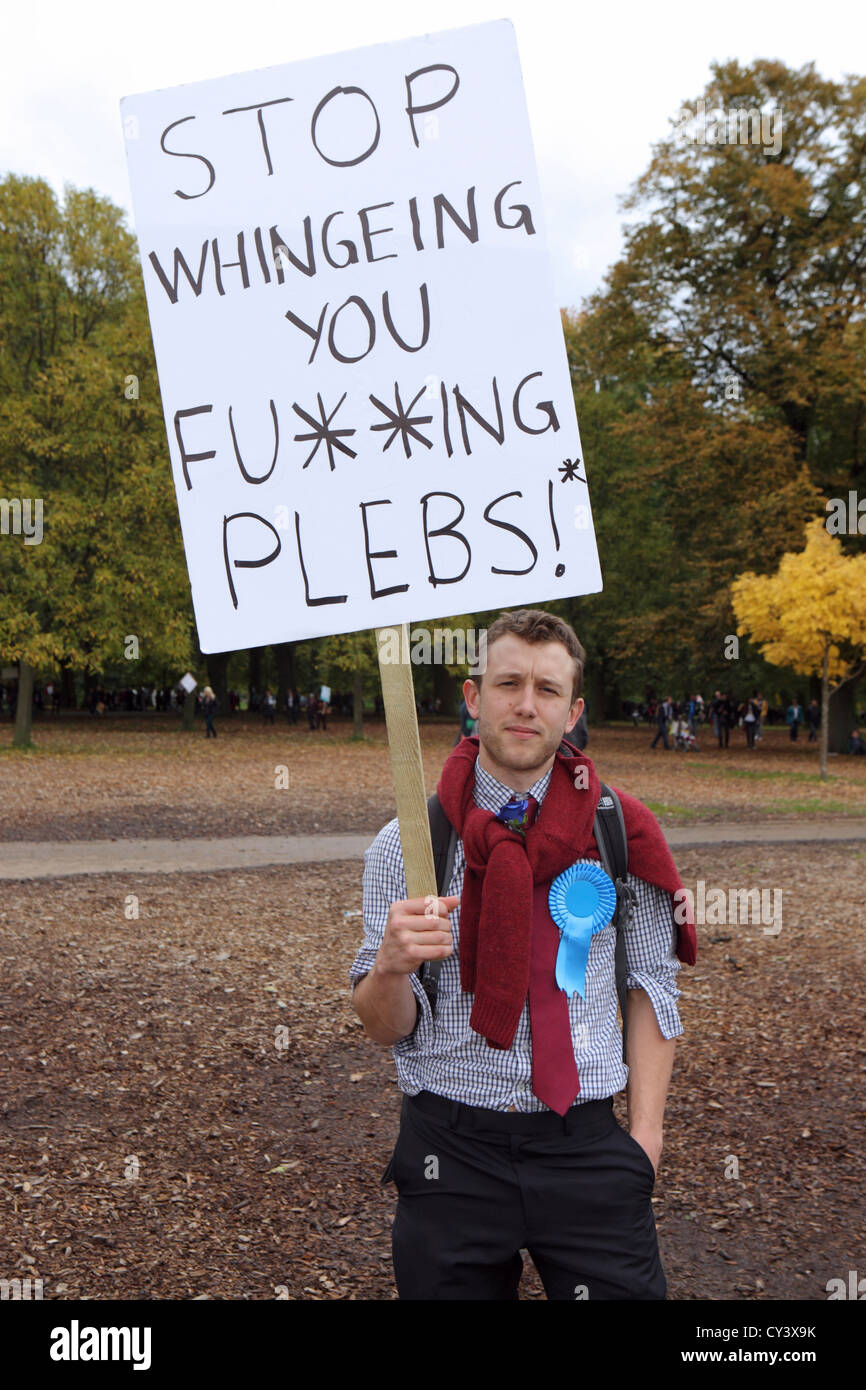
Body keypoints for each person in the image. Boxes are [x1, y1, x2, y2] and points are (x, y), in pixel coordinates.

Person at [351, 608, 696, 1301]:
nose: (525, 704)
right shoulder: (409, 844)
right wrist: (390, 967)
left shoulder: (622, 832)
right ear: (474, 698)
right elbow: (386, 1025)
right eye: (508, 683)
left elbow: (652, 986)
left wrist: (646, 1141)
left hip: (588, 1150)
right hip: (450, 1154)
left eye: (546, 689)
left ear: (572, 712)